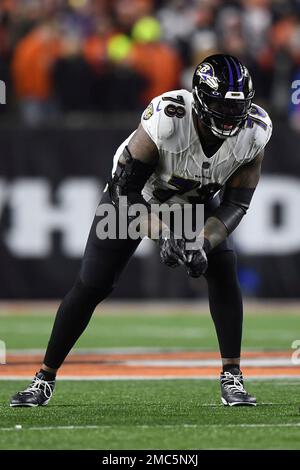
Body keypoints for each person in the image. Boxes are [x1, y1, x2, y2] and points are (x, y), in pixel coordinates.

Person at [10, 54, 272, 408]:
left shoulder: (255, 131)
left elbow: (236, 203)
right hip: (137, 197)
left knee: (223, 267)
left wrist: (203, 241)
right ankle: (43, 377)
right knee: (92, 284)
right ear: (199, 100)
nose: (228, 116)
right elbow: (124, 190)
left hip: (193, 201)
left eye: (234, 107)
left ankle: (233, 377)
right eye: (220, 106)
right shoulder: (168, 118)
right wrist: (163, 232)